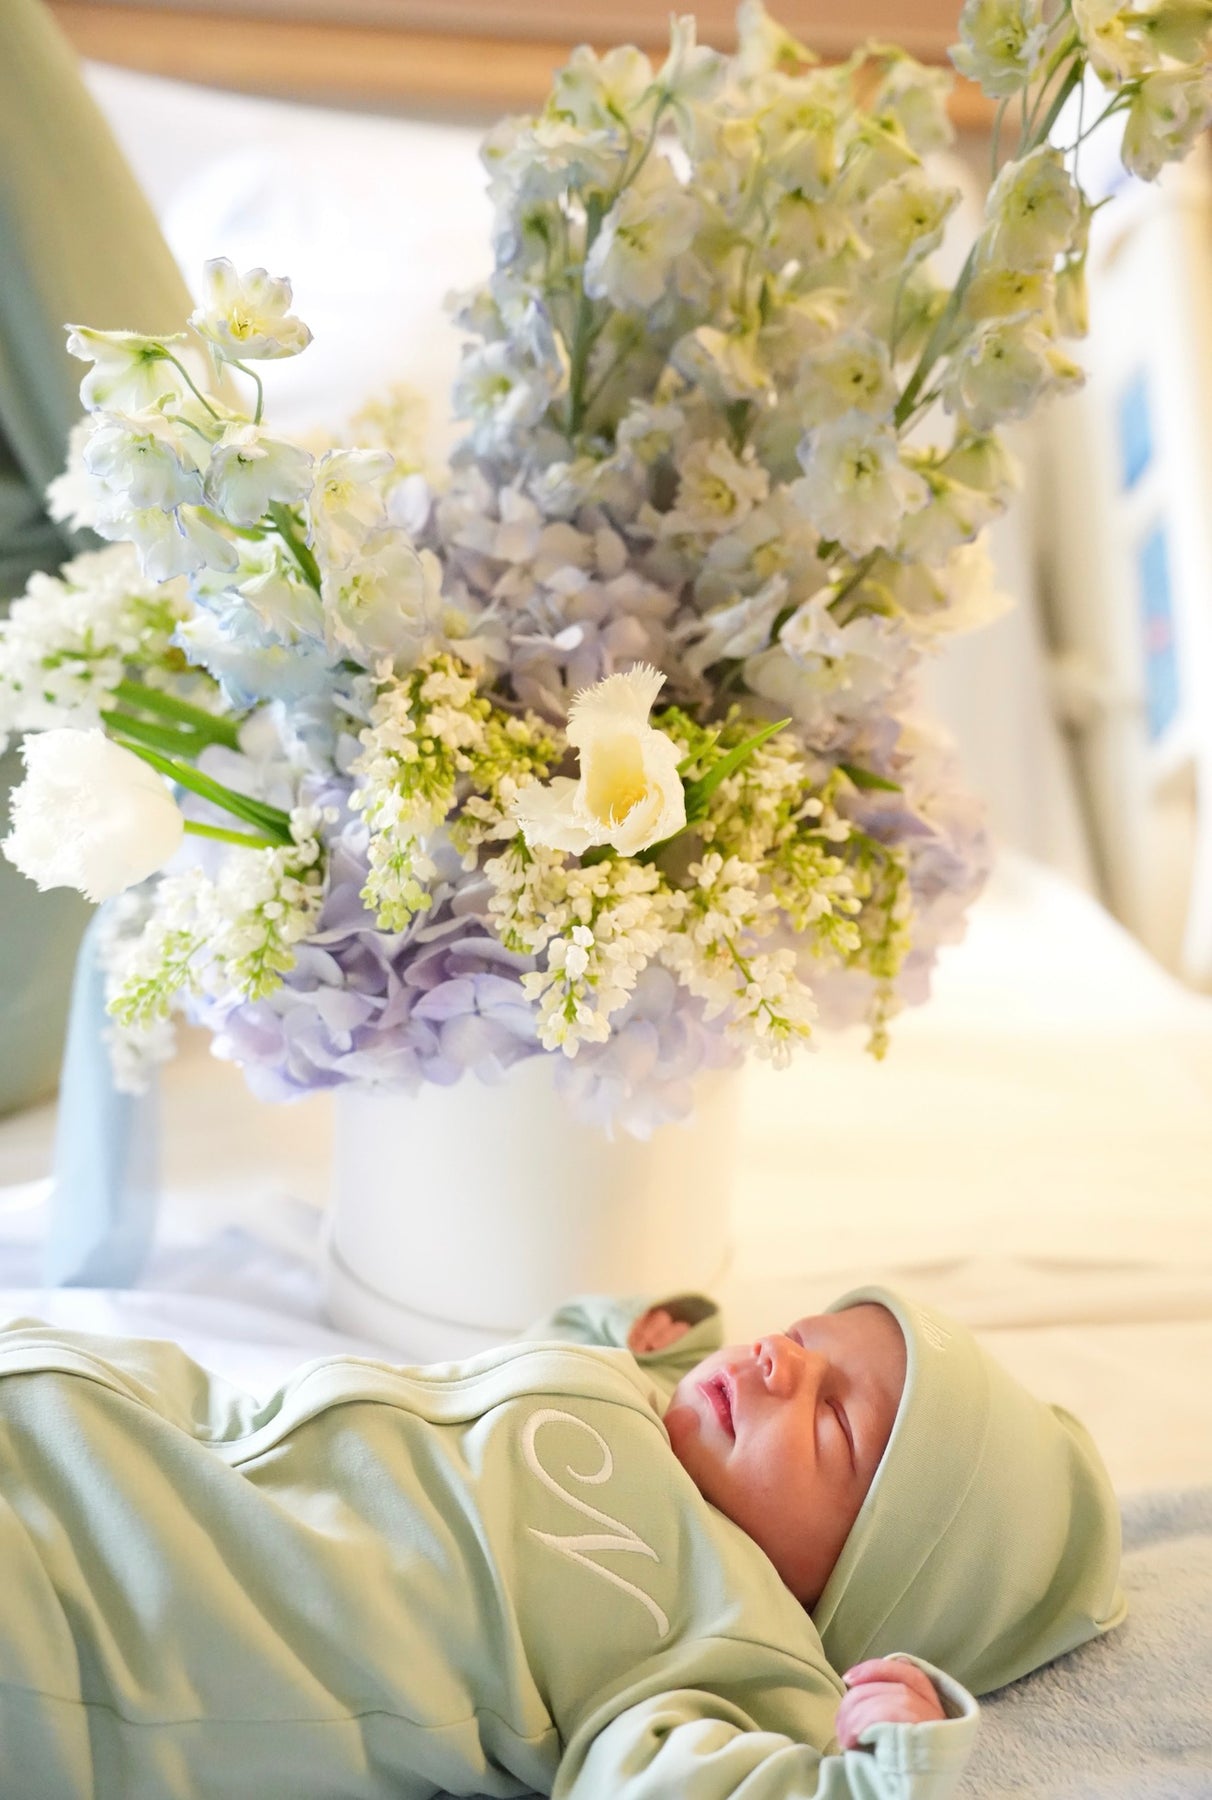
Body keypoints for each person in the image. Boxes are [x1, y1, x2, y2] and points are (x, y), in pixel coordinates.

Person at [0, 1283, 1125, 1799]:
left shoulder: (729, 1640)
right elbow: (510, 1394)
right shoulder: (643, 1403)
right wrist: (618, 1335)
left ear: (873, 1575)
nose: (780, 1362)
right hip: (80, 1423)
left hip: (101, 1622)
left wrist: (885, 1772)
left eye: (832, 1418)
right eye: (800, 1337)